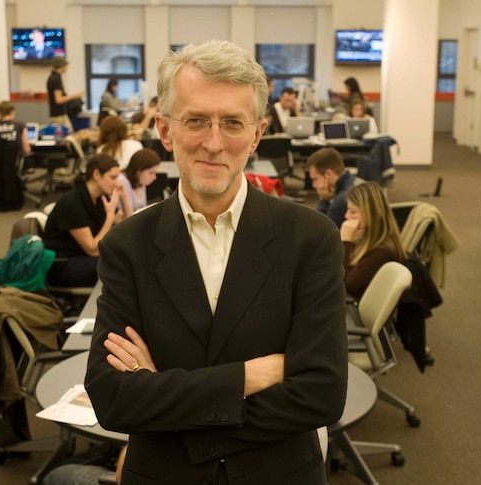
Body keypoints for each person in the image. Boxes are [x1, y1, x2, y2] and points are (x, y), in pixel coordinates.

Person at [84, 40, 348, 484]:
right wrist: (251, 375)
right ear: (165, 131)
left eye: (232, 123)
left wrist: (164, 395)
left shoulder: (310, 239)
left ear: (258, 133)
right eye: (195, 121)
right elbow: (113, 399)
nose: (213, 142)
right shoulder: (127, 245)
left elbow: (321, 395)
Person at [42, 154, 123, 287]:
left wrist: (123, 197)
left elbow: (124, 223)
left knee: (125, 258)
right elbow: (92, 250)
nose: (117, 183)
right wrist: (109, 217)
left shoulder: (99, 198)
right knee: (117, 266)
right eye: (113, 177)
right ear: (96, 174)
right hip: (62, 264)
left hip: (82, 258)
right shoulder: (72, 202)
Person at [340, 181, 406, 298]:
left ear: (370, 214)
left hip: (354, 310)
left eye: (353, 211)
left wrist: (346, 242)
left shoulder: (381, 253)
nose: (346, 216)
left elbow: (343, 285)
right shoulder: (365, 240)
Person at [306, 147, 355, 228]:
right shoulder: (356, 181)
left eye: (315, 179)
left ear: (328, 174)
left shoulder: (342, 200)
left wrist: (324, 199)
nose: (313, 185)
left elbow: (318, 230)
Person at [116, 148, 160, 218]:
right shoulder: (122, 182)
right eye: (151, 173)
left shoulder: (141, 181)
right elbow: (127, 218)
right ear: (138, 171)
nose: (154, 177)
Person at [48, 56, 85, 132]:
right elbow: (58, 100)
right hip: (59, 116)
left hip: (55, 114)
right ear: (61, 66)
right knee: (68, 137)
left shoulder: (51, 78)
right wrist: (75, 96)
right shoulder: (56, 79)